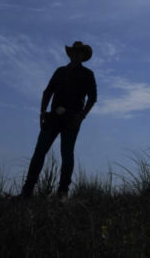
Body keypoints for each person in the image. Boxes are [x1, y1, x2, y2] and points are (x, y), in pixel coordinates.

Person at [20, 41, 97, 198]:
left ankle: (63, 193)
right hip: (53, 117)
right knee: (39, 152)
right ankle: (27, 192)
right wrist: (42, 112)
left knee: (67, 154)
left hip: (72, 119)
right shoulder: (60, 71)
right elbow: (47, 91)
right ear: (71, 54)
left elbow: (93, 97)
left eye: (79, 52)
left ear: (83, 56)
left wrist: (81, 116)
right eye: (74, 52)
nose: (76, 55)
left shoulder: (88, 74)